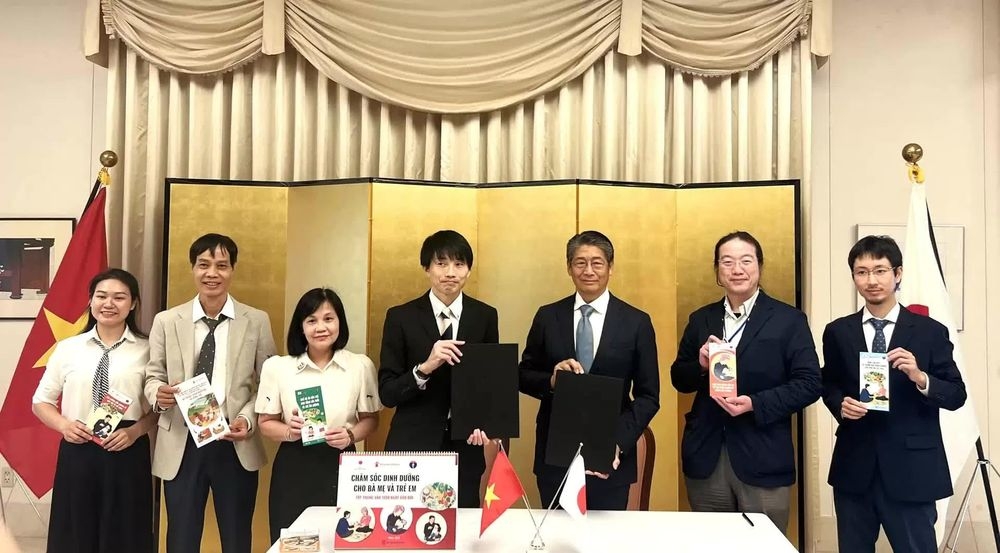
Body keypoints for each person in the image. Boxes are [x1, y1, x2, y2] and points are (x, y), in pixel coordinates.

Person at [821, 235, 966, 552]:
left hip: (912, 469)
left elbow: (956, 394)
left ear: (897, 274)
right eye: (862, 272)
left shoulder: (930, 331)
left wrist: (920, 376)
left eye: (880, 270)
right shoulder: (837, 331)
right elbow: (828, 383)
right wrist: (839, 405)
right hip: (854, 467)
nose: (871, 280)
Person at [670, 231, 821, 531]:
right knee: (712, 545)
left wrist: (756, 403)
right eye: (727, 262)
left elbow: (810, 383)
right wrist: (699, 366)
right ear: (717, 271)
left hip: (763, 455)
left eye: (745, 261)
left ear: (759, 267)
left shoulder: (788, 320)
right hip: (707, 455)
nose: (736, 269)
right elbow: (679, 378)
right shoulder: (702, 319)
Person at [144, 233, 277, 553]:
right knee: (181, 536)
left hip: (234, 441)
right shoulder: (166, 320)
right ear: (193, 269)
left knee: (236, 535)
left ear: (232, 270)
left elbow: (270, 384)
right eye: (203, 264)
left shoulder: (256, 321)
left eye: (221, 265)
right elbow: (152, 375)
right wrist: (157, 393)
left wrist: (247, 419)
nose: (212, 273)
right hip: (181, 440)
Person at [518, 230, 660, 510]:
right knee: (557, 540)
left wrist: (618, 442)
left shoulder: (636, 322)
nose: (589, 270)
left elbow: (648, 396)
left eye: (597, 263)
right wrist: (552, 380)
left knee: (604, 543)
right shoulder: (548, 316)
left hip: (611, 457)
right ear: (569, 268)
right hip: (554, 454)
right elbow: (523, 374)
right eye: (580, 262)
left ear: (610, 267)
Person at [32, 268, 156, 553]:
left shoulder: (148, 349)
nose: (109, 304)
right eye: (101, 296)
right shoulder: (68, 348)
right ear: (90, 300)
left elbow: (160, 408)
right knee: (76, 531)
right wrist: (64, 426)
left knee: (126, 532)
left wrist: (136, 431)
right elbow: (41, 401)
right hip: (79, 448)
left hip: (126, 449)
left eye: (119, 297)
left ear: (134, 303)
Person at [378, 230, 499, 508]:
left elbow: (490, 382)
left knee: (463, 528)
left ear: (468, 269)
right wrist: (425, 368)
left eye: (459, 264)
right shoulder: (400, 317)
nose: (450, 273)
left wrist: (484, 422)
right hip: (412, 443)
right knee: (410, 532)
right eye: (441, 264)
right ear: (427, 268)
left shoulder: (484, 316)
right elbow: (387, 392)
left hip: (465, 447)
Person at [256, 288, 381, 542]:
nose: (320, 327)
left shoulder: (360, 365)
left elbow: (371, 419)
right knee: (294, 544)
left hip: (342, 464)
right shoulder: (278, 367)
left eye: (328, 318)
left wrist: (350, 435)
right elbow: (265, 423)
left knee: (342, 540)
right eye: (311, 320)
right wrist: (290, 430)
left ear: (340, 323)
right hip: (294, 465)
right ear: (300, 327)